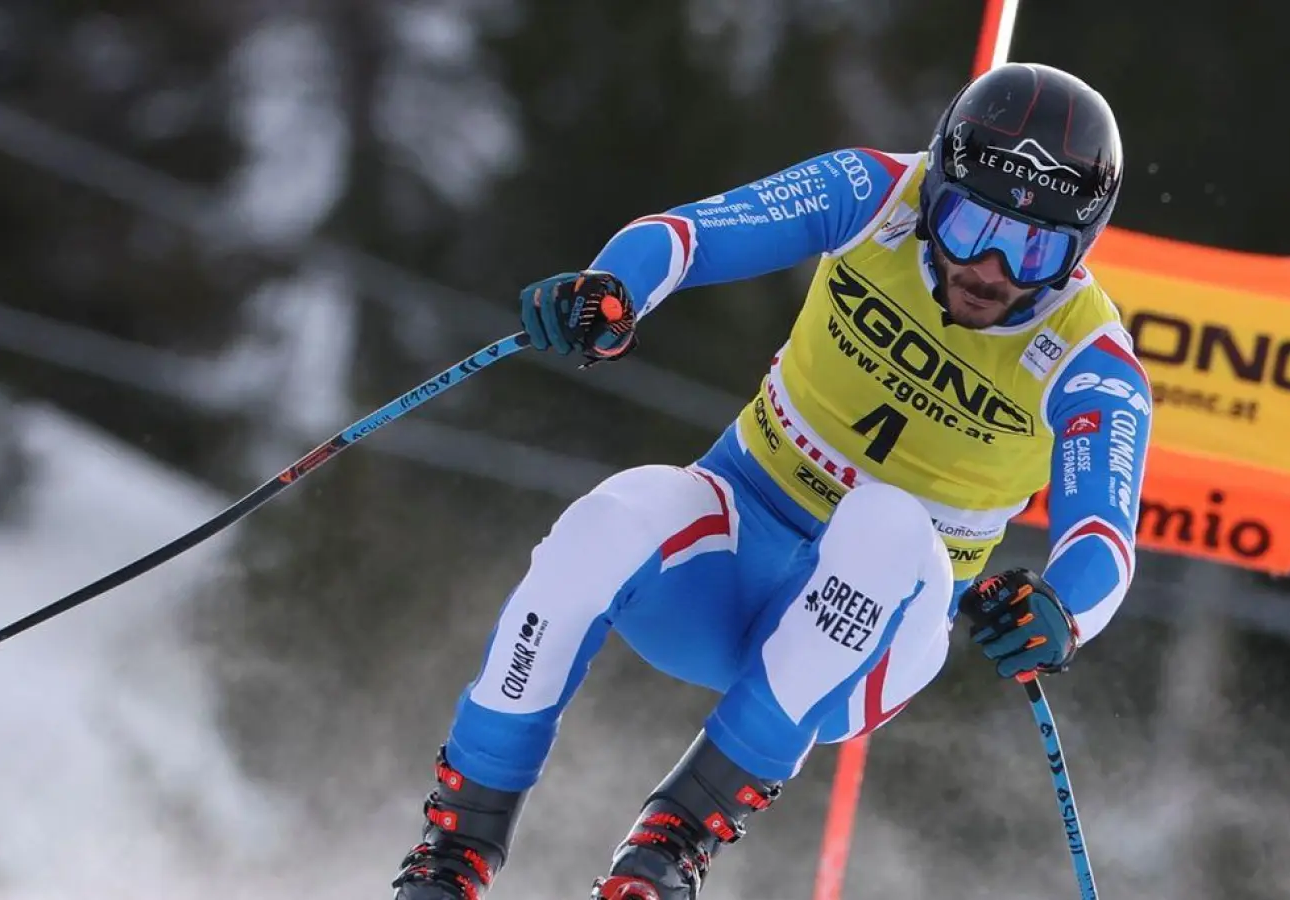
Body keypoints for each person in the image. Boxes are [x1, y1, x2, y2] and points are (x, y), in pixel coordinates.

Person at [390, 62, 1152, 900]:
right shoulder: (873, 195)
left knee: (889, 523)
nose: (992, 268)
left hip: (868, 643)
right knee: (609, 518)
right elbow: (691, 235)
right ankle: (453, 854)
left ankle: (668, 851)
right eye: (970, 223)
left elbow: (1104, 539)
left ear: (1080, 251)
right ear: (936, 188)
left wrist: (1062, 609)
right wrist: (614, 291)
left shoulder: (1091, 359)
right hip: (730, 558)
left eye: (1037, 248)